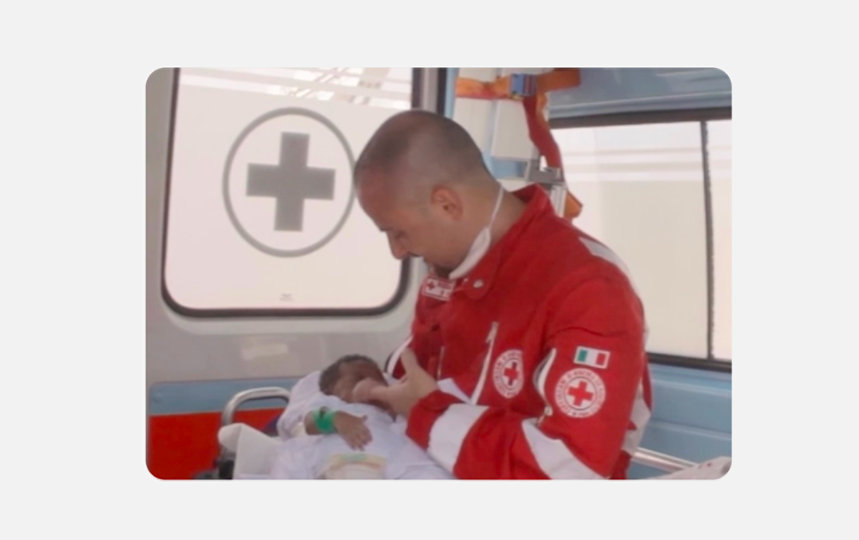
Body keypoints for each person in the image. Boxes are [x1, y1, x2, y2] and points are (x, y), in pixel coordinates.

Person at [351, 110, 652, 479]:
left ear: (447, 204)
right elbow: (418, 378)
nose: (397, 251)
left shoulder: (588, 286)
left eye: (397, 232)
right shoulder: (448, 273)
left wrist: (427, 413)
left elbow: (572, 468)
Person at [269, 354, 451, 479]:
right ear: (331, 389)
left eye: (377, 378)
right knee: (290, 463)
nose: (368, 382)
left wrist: (392, 400)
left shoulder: (388, 408)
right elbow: (310, 423)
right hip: (330, 461)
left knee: (429, 471)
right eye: (358, 378)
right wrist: (336, 419)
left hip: (389, 463)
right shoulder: (329, 402)